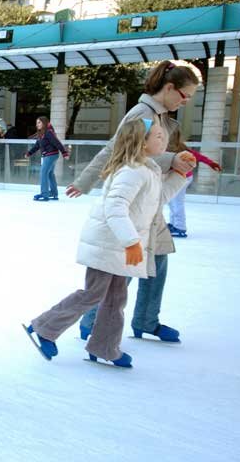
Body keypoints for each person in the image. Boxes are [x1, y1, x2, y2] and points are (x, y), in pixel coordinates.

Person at [25, 119, 193, 368]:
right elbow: (115, 207)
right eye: (158, 136)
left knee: (115, 298)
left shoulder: (147, 169)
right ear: (141, 142)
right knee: (93, 293)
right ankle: (44, 327)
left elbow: (158, 199)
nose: (164, 140)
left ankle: (104, 347)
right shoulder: (131, 171)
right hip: (109, 244)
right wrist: (132, 241)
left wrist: (179, 174)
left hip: (120, 247)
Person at [70, 60, 200, 343]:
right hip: (135, 199)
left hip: (149, 198)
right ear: (169, 87)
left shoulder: (161, 114)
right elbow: (122, 150)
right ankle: (91, 322)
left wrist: (177, 162)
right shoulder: (143, 113)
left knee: (157, 261)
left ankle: (145, 321)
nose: (186, 101)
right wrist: (85, 180)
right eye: (184, 95)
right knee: (125, 264)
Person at [165, 122, 221, 238]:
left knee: (176, 201)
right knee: (172, 201)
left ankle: (180, 227)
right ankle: (174, 223)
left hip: (182, 177)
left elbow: (197, 156)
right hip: (178, 177)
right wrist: (210, 163)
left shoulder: (180, 148)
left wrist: (210, 163)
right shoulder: (168, 147)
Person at [25, 116, 70, 201]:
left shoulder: (49, 132)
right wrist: (29, 153)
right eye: (36, 123)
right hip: (49, 155)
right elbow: (37, 145)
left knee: (43, 173)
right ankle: (53, 193)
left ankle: (45, 194)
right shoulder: (42, 133)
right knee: (50, 174)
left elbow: (57, 142)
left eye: (39, 122)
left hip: (51, 155)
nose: (37, 124)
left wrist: (64, 153)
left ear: (44, 123)